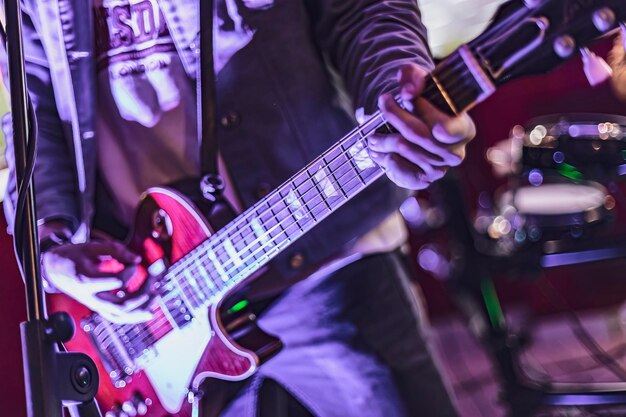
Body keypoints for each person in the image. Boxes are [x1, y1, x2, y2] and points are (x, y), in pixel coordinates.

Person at [3, 0, 475, 416]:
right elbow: (28, 106)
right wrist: (49, 244)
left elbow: (362, 10)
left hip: (321, 252)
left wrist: (396, 93)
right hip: (150, 300)